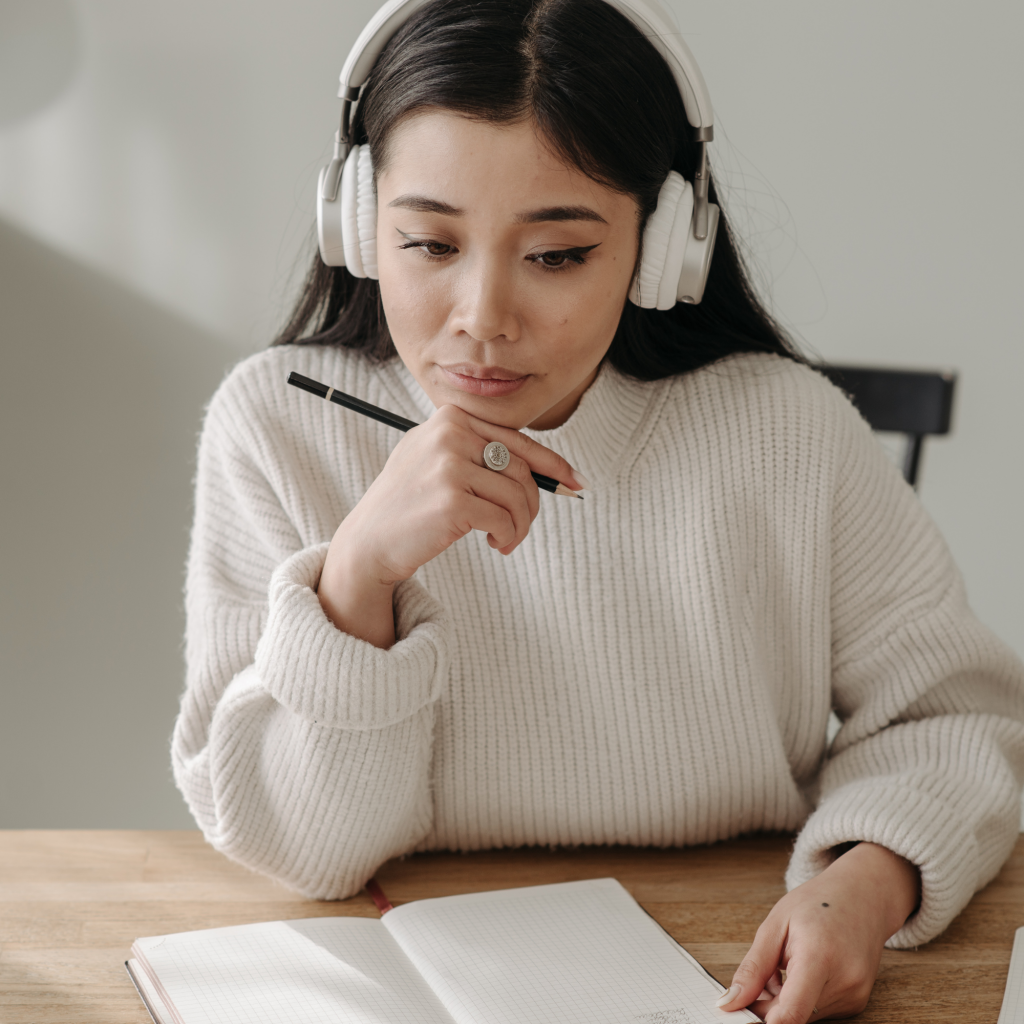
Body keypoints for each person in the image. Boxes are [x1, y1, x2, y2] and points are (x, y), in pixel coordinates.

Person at [172, 1, 1024, 1021]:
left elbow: (957, 720)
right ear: (355, 223)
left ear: (664, 247)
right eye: (428, 243)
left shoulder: (785, 428)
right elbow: (308, 853)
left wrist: (861, 886)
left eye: (558, 255)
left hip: (723, 963)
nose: (481, 319)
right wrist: (357, 577)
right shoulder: (274, 424)